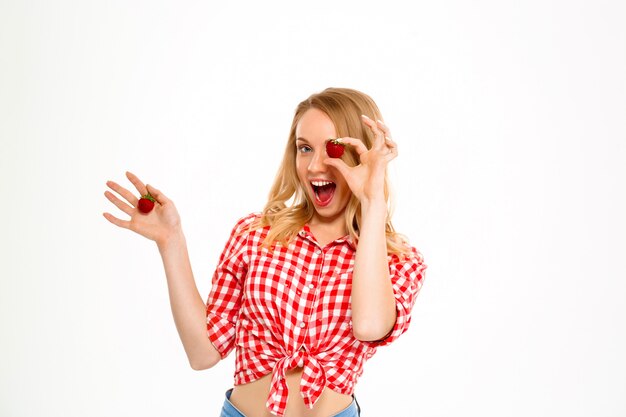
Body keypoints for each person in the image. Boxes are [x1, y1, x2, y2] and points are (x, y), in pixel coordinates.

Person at [103, 87, 427, 417]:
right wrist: (171, 241)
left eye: (331, 149)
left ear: (361, 155)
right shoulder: (256, 235)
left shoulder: (399, 262)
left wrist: (373, 200)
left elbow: (369, 326)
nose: (315, 166)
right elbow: (203, 353)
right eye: (304, 149)